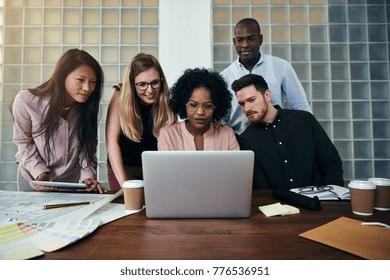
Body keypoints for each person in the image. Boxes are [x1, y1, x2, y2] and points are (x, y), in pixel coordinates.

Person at [11, 48, 106, 193]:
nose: (87, 88)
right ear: (62, 77)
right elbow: (23, 142)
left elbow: (87, 147)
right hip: (34, 181)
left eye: (93, 82)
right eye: (80, 80)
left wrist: (88, 177)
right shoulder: (26, 101)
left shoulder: (87, 107)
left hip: (71, 184)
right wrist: (41, 174)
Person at [231, 73, 344, 190]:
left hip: (318, 201)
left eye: (251, 100)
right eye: (242, 104)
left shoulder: (304, 120)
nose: (247, 108)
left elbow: (331, 162)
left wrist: (333, 196)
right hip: (278, 206)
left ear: (267, 95)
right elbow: (255, 184)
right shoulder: (247, 139)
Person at [221, 17, 312, 135]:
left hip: (275, 138)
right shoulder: (225, 76)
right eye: (240, 40)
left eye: (251, 39)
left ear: (260, 39)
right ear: (234, 42)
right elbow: (221, 119)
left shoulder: (281, 66)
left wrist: (309, 137)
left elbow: (300, 106)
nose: (245, 45)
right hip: (240, 141)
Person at [105, 53, 177, 191]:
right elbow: (111, 142)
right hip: (124, 167)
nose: (150, 90)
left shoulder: (167, 99)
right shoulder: (119, 95)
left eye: (155, 82)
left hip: (154, 169)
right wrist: (125, 185)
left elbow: (171, 144)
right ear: (132, 84)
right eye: (142, 85)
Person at [158, 68, 239, 151]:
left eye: (207, 106)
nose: (200, 112)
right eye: (193, 105)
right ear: (183, 104)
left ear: (216, 106)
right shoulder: (168, 135)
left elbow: (237, 164)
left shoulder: (226, 134)